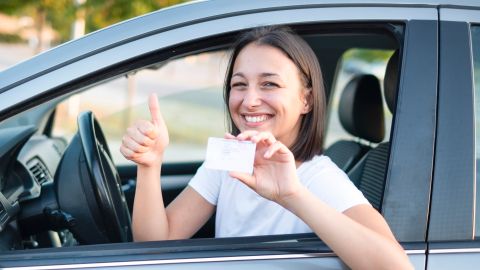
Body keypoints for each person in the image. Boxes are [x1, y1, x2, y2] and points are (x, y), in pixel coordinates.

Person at [120, 26, 413, 269]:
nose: (249, 101)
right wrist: (150, 165)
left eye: (269, 85)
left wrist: (292, 195)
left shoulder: (318, 177)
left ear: (306, 100)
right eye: (239, 85)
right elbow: (154, 246)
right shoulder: (229, 160)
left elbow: (397, 267)